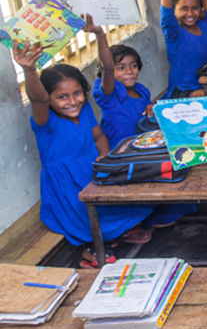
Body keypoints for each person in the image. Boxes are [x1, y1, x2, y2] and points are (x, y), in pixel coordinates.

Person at [15, 41, 154, 268]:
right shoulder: (45, 123)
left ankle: (113, 235)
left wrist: (106, 158)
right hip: (69, 187)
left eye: (77, 93)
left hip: (94, 172)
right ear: (49, 99)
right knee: (90, 218)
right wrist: (29, 70)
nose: (72, 101)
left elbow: (99, 137)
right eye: (62, 97)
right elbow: (37, 99)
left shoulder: (86, 110)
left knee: (141, 201)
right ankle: (94, 246)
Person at [88, 16, 152, 149]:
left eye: (133, 66)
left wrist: (152, 108)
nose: (129, 71)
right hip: (120, 153)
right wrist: (100, 35)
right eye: (121, 68)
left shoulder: (141, 90)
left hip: (143, 148)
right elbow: (107, 67)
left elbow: (148, 112)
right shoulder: (110, 95)